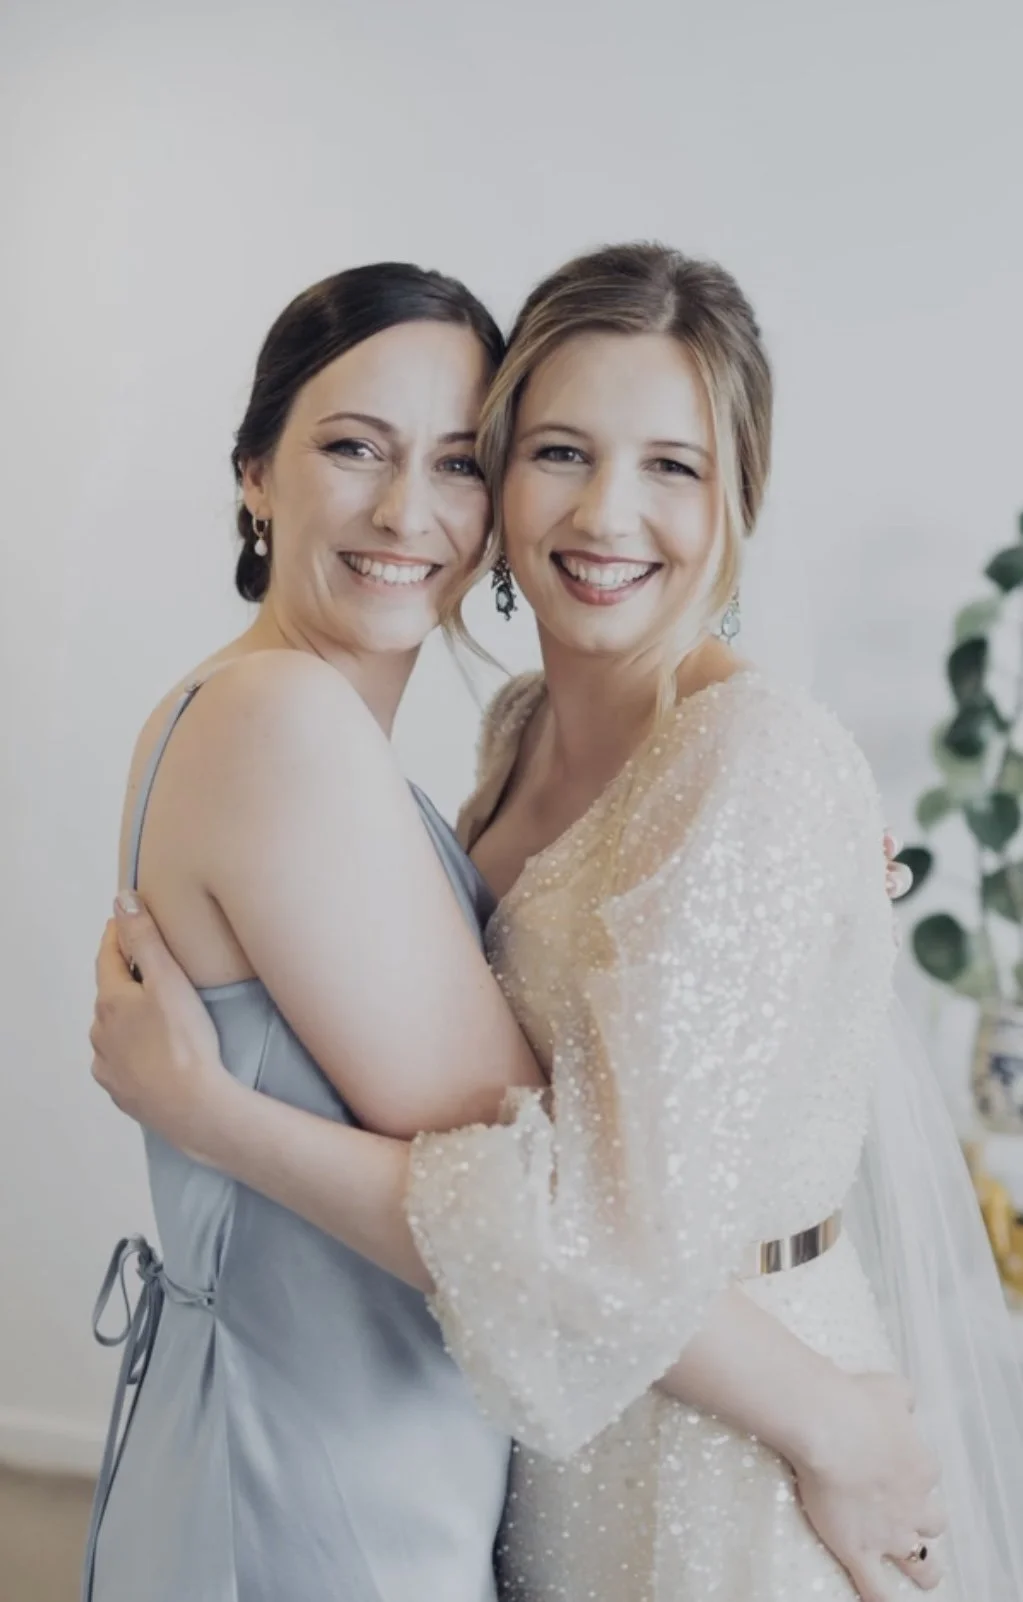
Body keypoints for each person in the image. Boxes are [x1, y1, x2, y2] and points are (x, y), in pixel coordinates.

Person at [87, 246, 974, 1602]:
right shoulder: (486, 736)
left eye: (671, 465)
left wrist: (829, 1421)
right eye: (556, 450)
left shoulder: (752, 763)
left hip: (708, 1459)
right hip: (527, 1431)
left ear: (737, 496)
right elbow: (542, 1193)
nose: (606, 510)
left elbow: (571, 1228)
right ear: (254, 471)